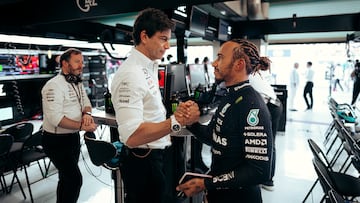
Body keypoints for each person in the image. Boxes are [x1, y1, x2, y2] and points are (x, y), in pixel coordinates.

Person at [110, 8, 199, 203]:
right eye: (162, 39)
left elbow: (151, 113)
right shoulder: (130, 74)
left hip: (156, 155)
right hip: (143, 160)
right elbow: (132, 136)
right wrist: (176, 121)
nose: (167, 46)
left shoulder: (148, 67)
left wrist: (175, 115)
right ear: (144, 36)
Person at [176, 39, 274, 203]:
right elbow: (214, 137)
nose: (214, 63)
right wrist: (190, 122)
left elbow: (259, 171)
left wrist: (206, 183)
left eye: (220, 57)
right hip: (219, 195)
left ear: (239, 64)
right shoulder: (230, 96)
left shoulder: (251, 105)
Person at [41, 48, 98, 203]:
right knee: (74, 180)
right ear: (65, 63)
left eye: (82, 62)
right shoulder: (53, 86)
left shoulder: (76, 82)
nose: (82, 65)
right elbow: (55, 118)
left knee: (65, 179)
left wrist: (87, 114)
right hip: (56, 141)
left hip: (72, 138)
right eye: (77, 61)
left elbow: (86, 103)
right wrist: (82, 126)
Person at [249, 66, 283, 191]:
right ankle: (267, 180)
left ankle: (268, 181)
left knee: (268, 144)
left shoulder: (248, 75)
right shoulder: (254, 73)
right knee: (270, 144)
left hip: (270, 106)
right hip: (274, 104)